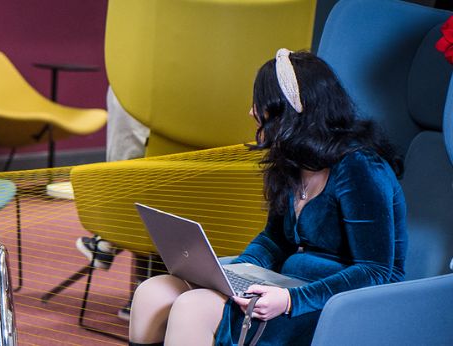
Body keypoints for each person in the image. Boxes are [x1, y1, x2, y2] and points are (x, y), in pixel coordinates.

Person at [127, 49, 407, 346]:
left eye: (260, 103)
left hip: (334, 302)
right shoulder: (294, 160)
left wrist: (290, 300)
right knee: (152, 293)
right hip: (281, 285)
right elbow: (274, 240)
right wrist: (237, 273)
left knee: (193, 308)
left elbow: (376, 271)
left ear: (288, 110)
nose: (252, 111)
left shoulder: (360, 167)